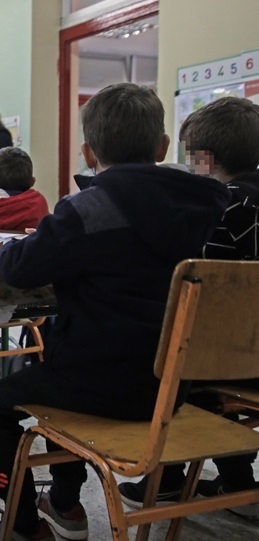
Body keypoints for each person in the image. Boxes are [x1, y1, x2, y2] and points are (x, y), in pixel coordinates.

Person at [0, 83, 230, 541]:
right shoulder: (211, 206)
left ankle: (24, 526)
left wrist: (15, 247)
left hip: (98, 382)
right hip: (173, 388)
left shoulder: (87, 209)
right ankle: (64, 502)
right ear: (162, 147)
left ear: (88, 152)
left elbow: (19, 269)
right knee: (58, 373)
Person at [117, 96, 259, 518]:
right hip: (250, 352)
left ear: (204, 159)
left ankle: (171, 478)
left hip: (230, 359)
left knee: (171, 358)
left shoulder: (215, 206)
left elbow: (186, 278)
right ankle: (237, 481)